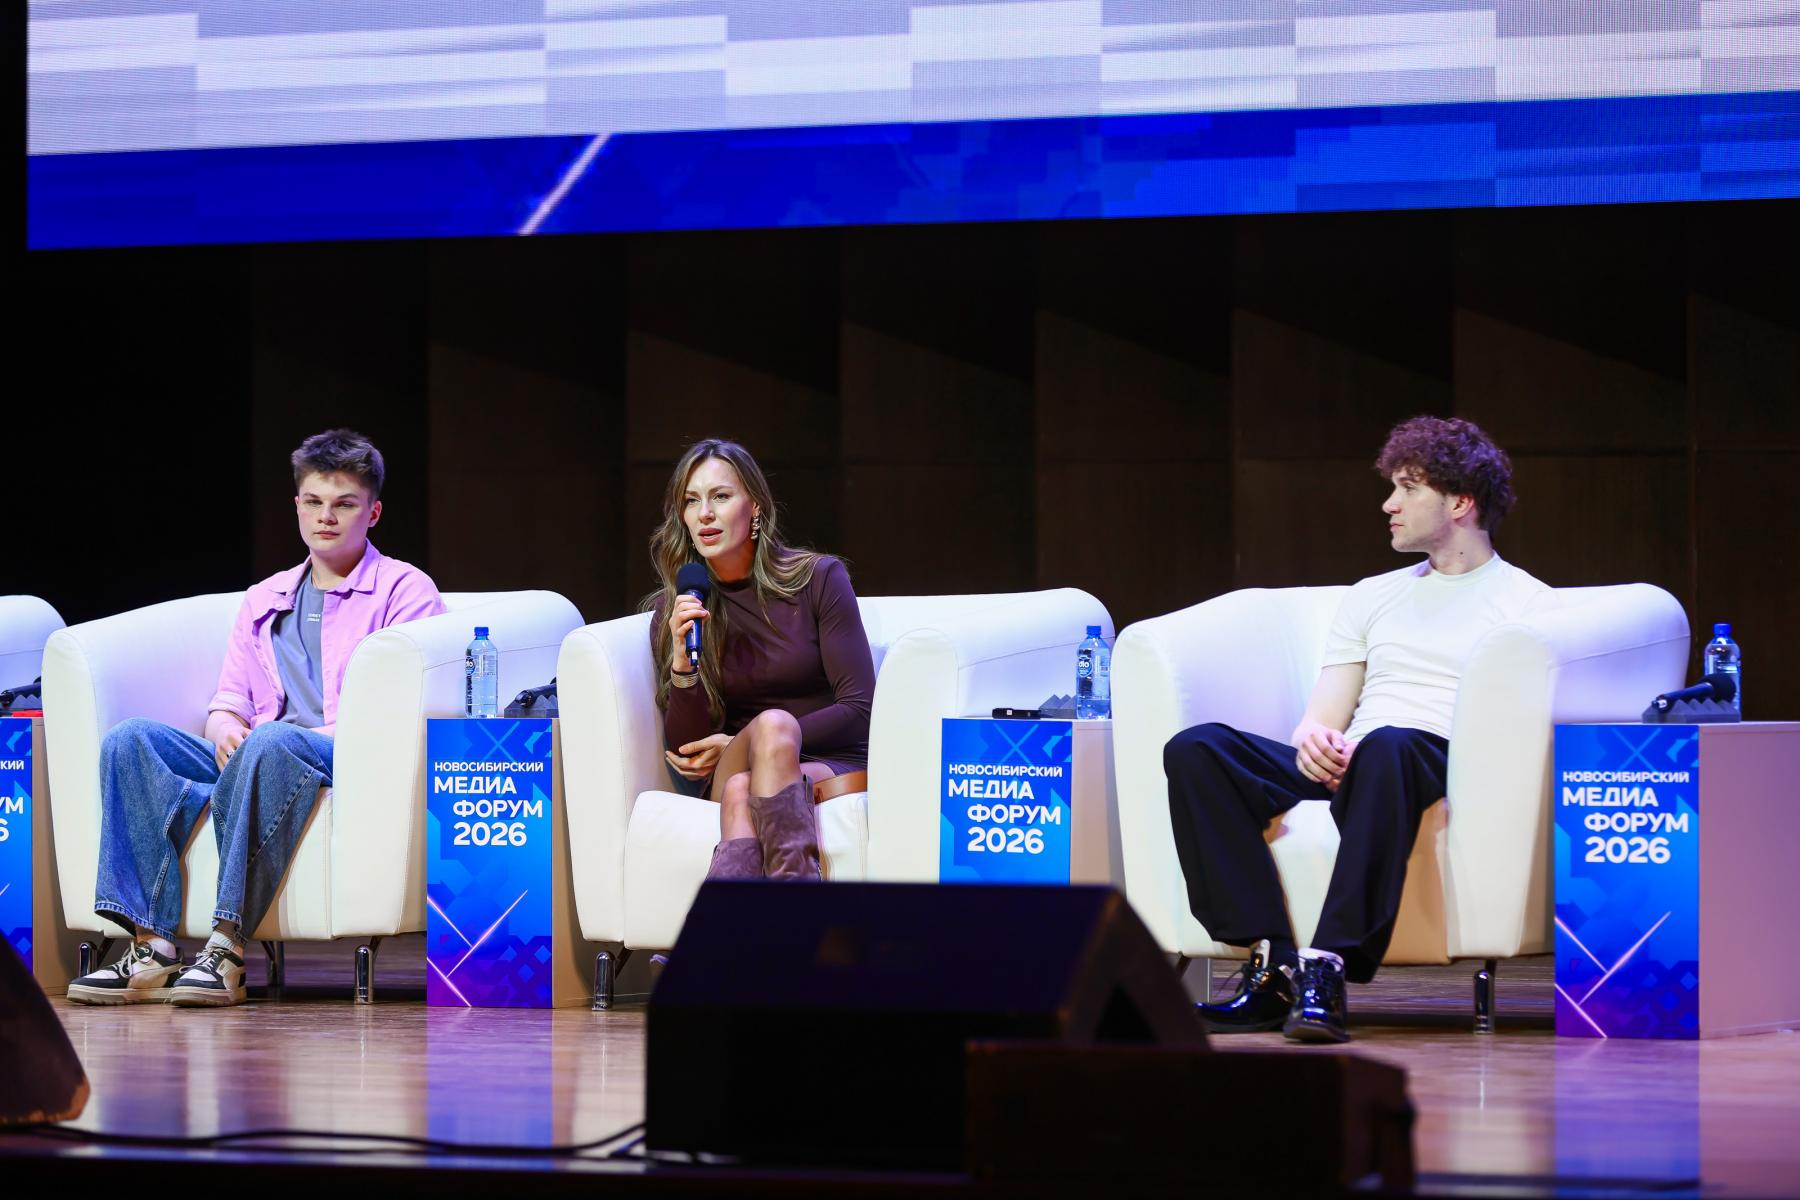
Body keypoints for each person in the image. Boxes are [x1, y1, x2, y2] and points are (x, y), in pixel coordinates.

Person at [1165, 416, 1547, 1043]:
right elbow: (1324, 711)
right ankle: (1274, 967)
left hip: (1438, 758)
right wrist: (1313, 738)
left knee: (1392, 744)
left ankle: (1331, 967)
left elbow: (1510, 730)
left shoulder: (1526, 604)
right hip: (1362, 760)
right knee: (1198, 747)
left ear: (1459, 502)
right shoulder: (1373, 596)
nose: (1388, 504)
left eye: (1407, 488)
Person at [68, 429, 444, 1007]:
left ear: (373, 512)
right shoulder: (267, 596)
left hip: (345, 753)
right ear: (296, 505)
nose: (327, 517)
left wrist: (266, 739)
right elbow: (229, 699)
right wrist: (223, 731)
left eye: (345, 504)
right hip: (260, 750)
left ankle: (227, 947)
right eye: (315, 502)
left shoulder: (403, 590)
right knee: (131, 740)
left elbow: (399, 711)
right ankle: (152, 948)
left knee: (271, 741)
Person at [648, 438, 875, 881]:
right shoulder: (679, 606)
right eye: (691, 502)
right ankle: (797, 914)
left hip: (833, 756)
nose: (705, 514)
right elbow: (684, 752)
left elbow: (861, 707)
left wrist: (758, 741)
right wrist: (682, 667)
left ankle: (734, 936)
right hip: (739, 756)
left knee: (742, 786)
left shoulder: (818, 579)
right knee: (759, 743)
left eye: (721, 496)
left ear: (754, 508)